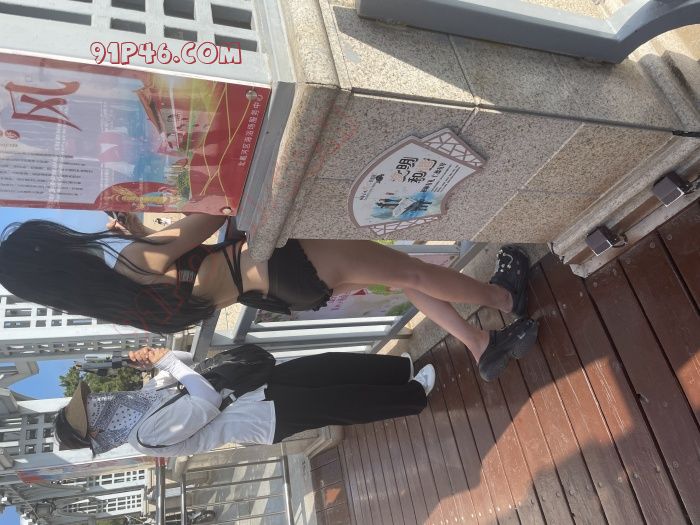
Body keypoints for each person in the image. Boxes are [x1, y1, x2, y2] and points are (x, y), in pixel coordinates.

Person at [0, 213, 537, 381]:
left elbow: (191, 278)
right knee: (410, 271)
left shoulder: (124, 302)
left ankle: (479, 343)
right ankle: (503, 297)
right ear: (55, 250)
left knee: (402, 279)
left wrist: (142, 231)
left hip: (279, 291)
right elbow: (212, 212)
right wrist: (145, 228)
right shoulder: (133, 259)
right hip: (280, 260)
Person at [53, 347, 436, 457]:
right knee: (343, 403)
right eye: (89, 411)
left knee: (329, 367)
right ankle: (413, 396)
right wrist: (167, 364)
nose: (97, 401)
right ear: (96, 433)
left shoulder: (144, 399)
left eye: (89, 400)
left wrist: (157, 360)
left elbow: (188, 362)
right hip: (263, 415)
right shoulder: (145, 436)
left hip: (256, 387)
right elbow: (204, 400)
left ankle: (398, 372)